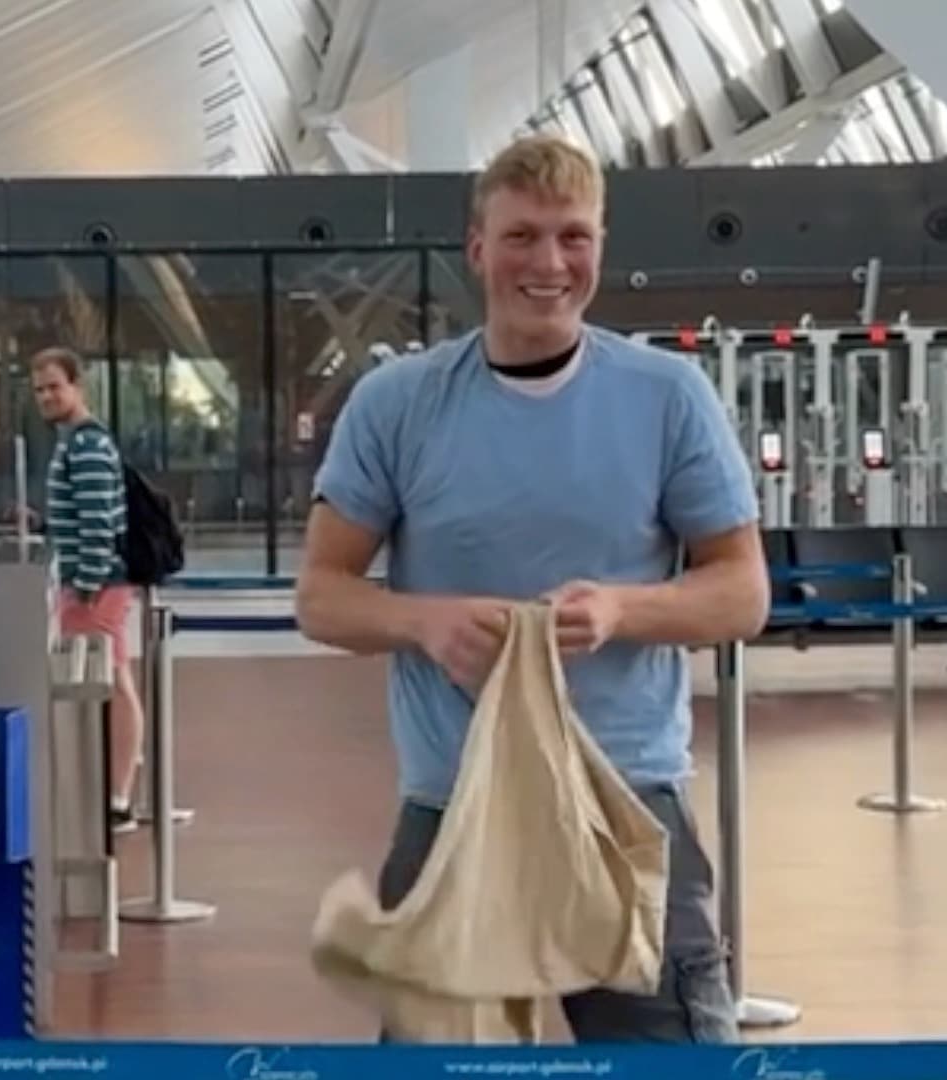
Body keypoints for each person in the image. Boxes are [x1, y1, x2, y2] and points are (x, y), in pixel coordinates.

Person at [293, 132, 769, 1043]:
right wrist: (424, 621)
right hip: (452, 808)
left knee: (668, 1057)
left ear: (599, 246)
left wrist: (622, 609)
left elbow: (742, 593)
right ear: (477, 249)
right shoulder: (398, 404)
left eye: (572, 236)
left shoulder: (668, 397)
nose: (548, 263)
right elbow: (322, 594)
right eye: (520, 237)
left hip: (626, 802)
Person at [31, 347, 143, 833]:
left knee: (110, 685)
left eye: (55, 386)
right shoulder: (74, 443)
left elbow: (99, 522)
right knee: (115, 680)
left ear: (78, 385)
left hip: (95, 587)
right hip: (93, 583)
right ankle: (116, 790)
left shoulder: (87, 446)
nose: (46, 397)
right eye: (39, 390)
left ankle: (115, 795)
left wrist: (87, 584)